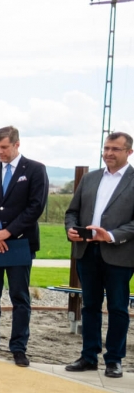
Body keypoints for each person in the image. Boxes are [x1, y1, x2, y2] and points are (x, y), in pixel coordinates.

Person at [0, 127, 48, 367]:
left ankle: (18, 348)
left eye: (4, 147)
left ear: (17, 144)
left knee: (19, 296)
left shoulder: (35, 169)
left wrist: (8, 232)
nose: (0, 152)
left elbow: (36, 207)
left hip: (20, 242)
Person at [63, 131, 134, 379]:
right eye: (106, 148)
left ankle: (114, 360)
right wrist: (70, 229)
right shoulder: (90, 178)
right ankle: (88, 356)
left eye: (115, 149)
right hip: (86, 252)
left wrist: (111, 235)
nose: (109, 153)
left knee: (117, 308)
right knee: (90, 306)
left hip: (119, 254)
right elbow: (72, 212)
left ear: (129, 152)